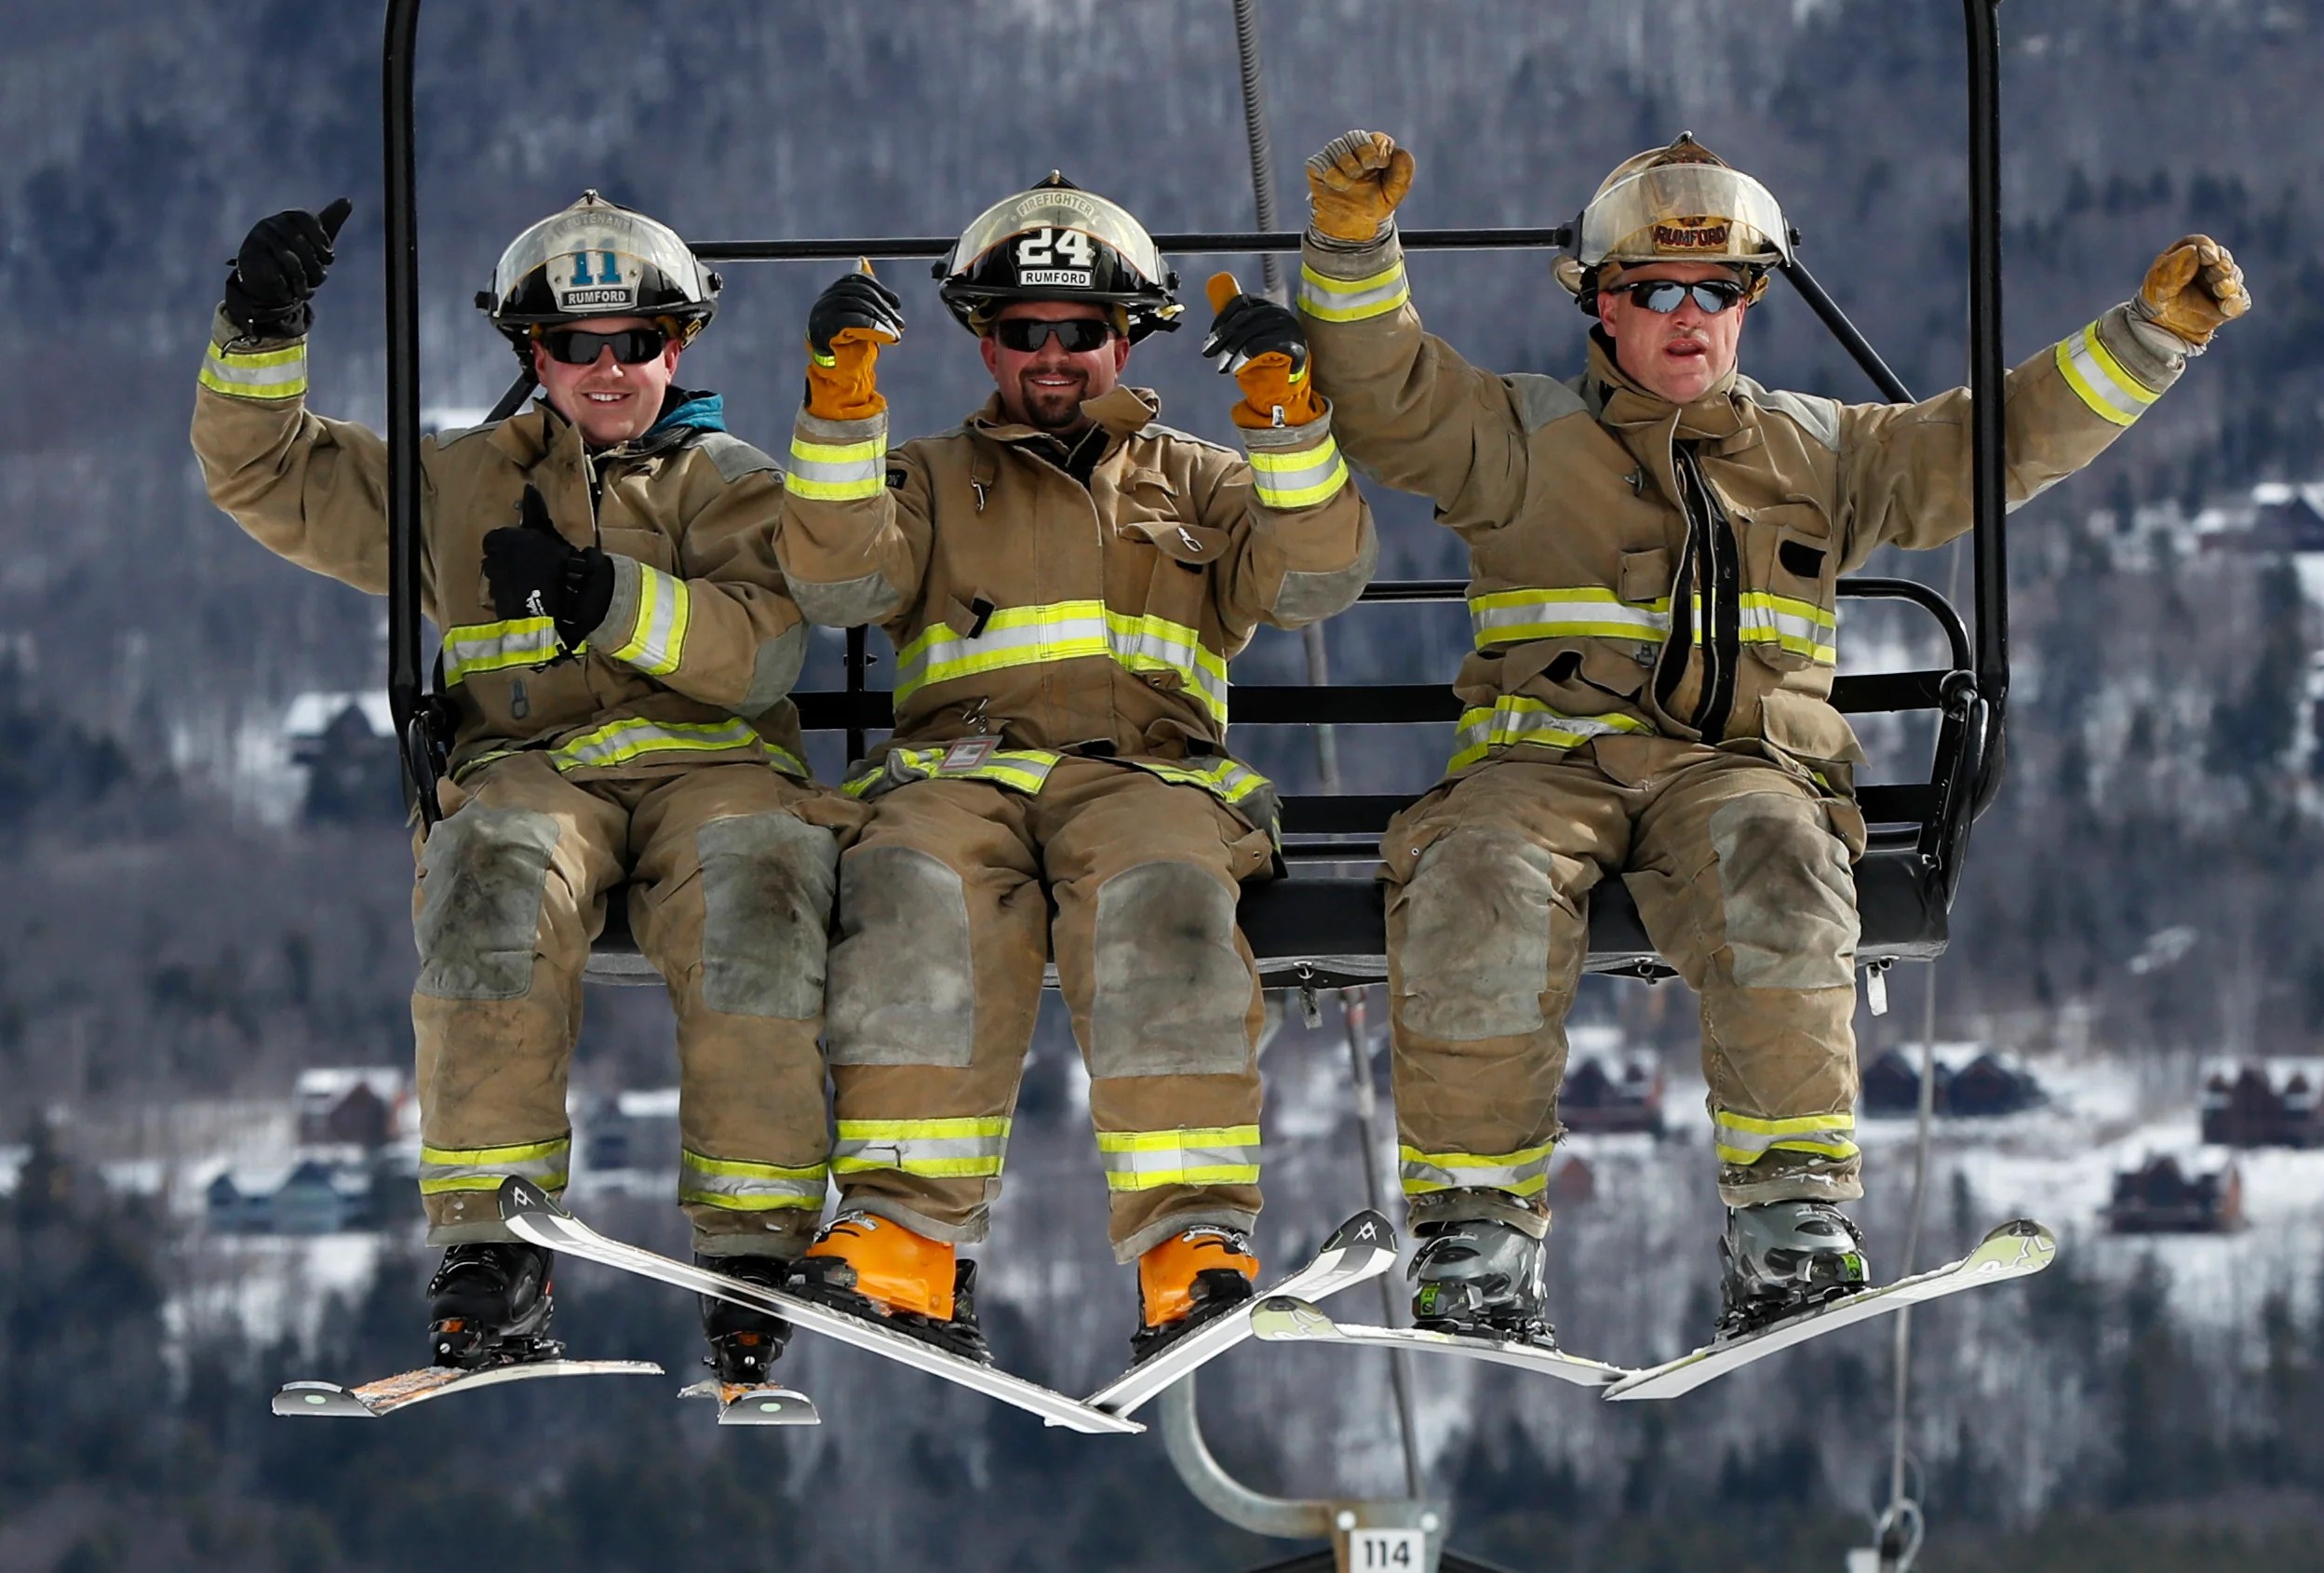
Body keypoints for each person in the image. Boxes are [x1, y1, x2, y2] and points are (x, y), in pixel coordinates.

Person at [1295, 128, 2249, 1342]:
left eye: (1719, 291)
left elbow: (1984, 447)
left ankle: (1789, 1217)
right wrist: (1351, 245)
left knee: (1783, 863)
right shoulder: (1515, 439)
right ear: (1601, 309)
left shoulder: (1823, 453)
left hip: (1737, 771)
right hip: (1543, 770)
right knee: (1475, 875)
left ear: (1748, 307)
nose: (1689, 316)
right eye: (1653, 292)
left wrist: (2148, 340)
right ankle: (1477, 1233)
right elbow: (1384, 390)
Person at [193, 192, 856, 1382]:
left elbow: (763, 650)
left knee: (757, 885)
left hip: (713, 772)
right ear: (530, 353)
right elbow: (268, 475)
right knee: (489, 875)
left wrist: (603, 597)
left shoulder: (732, 484)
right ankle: (489, 1246)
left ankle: (752, 1251)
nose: (607, 372)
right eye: (574, 348)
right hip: (532, 771)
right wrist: (259, 331)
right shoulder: (461, 486)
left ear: (679, 346)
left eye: (636, 344)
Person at [771, 175, 1377, 1364]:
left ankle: (1190, 1243)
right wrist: (840, 414)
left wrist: (1288, 421)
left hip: (1148, 779)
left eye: (1081, 332)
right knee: (908, 890)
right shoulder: (931, 477)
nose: (1051, 357)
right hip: (961, 774)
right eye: (1021, 332)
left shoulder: (1200, 477)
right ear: (983, 340)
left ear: (1128, 335)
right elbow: (837, 583)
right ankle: (905, 1235)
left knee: (1163, 897)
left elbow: (1315, 580)